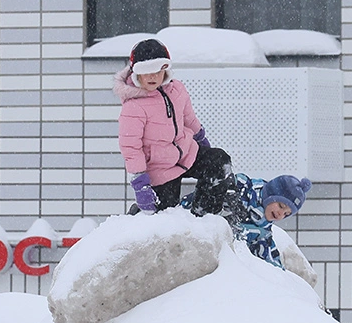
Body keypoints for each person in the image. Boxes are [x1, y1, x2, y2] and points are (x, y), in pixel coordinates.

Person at [113, 38, 237, 214]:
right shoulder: (133, 106)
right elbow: (131, 148)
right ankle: (137, 215)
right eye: (146, 71)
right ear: (136, 73)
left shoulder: (177, 89)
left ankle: (203, 216)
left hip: (186, 153)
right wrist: (140, 183)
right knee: (164, 217)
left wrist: (201, 139)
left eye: (157, 70)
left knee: (219, 161)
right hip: (159, 169)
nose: (152, 76)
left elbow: (189, 118)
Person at [183, 173, 312, 269]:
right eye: (281, 206)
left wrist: (280, 276)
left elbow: (270, 262)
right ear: (271, 194)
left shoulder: (262, 232)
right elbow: (205, 196)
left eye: (286, 214)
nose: (280, 214)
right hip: (192, 232)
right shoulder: (241, 188)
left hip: (221, 268)